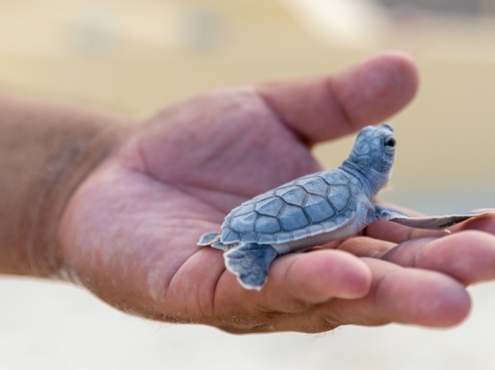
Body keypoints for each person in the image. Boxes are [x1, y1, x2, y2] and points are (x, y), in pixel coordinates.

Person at [1, 52, 494, 334]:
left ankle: (233, 238)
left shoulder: (354, 192)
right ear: (378, 161)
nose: (388, 144)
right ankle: (249, 252)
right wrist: (449, 220)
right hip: (262, 229)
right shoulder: (358, 201)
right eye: (385, 143)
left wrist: (65, 182)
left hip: (245, 216)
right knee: (276, 248)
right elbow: (406, 223)